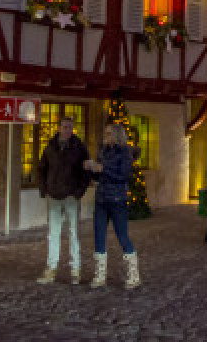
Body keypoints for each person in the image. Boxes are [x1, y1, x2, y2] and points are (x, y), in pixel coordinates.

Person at [35, 116, 90, 285]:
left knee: (74, 233)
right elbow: (41, 169)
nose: (67, 130)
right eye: (65, 127)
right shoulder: (50, 147)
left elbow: (86, 172)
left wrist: (79, 192)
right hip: (54, 195)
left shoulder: (79, 148)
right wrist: (44, 189)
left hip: (71, 197)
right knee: (53, 234)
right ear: (59, 128)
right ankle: (51, 269)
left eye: (70, 127)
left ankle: (76, 270)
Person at [84, 124, 139, 289]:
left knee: (122, 236)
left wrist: (103, 169)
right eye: (105, 133)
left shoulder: (125, 153)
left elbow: (124, 176)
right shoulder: (103, 151)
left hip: (117, 199)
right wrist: (91, 169)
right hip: (101, 199)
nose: (105, 136)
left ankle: (134, 275)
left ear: (116, 135)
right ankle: (100, 275)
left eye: (108, 133)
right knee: (99, 236)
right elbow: (99, 176)